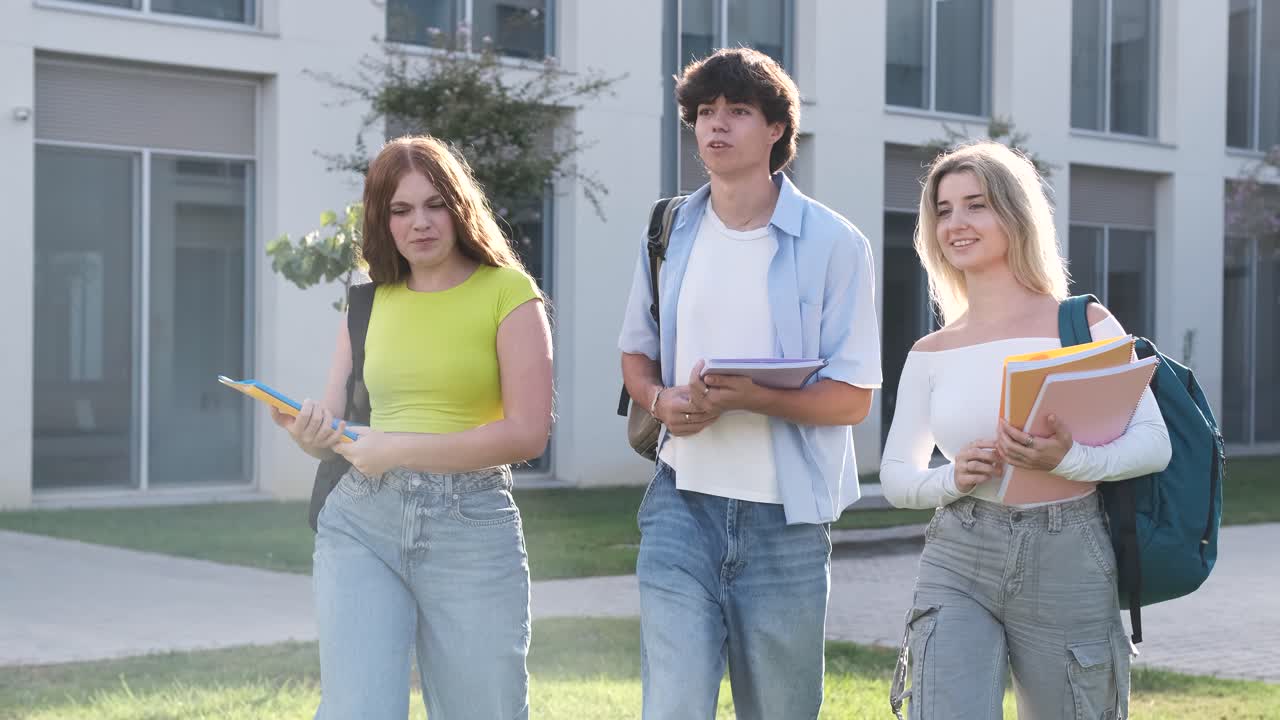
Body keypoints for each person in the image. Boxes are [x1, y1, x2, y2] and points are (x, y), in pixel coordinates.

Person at [618, 47, 882, 719]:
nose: (717, 124)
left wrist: (755, 397)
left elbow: (852, 400)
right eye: (706, 111)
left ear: (776, 132)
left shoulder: (834, 244)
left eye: (738, 111)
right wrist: (661, 399)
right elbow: (635, 358)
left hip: (784, 524)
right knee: (671, 705)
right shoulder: (668, 230)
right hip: (680, 507)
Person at [880, 141, 1171, 720]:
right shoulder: (930, 351)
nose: (956, 224)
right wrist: (951, 478)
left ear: (1015, 214)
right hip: (959, 551)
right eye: (943, 210)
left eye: (975, 205)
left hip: (1068, 551)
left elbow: (1153, 443)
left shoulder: (1083, 324)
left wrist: (1068, 458)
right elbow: (895, 475)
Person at [271, 135, 552, 719]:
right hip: (361, 521)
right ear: (382, 218)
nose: (419, 223)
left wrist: (398, 447)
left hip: (471, 523)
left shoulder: (509, 294)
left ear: (460, 206)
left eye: (434, 204)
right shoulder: (367, 302)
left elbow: (527, 433)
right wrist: (309, 431)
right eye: (400, 210)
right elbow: (338, 426)